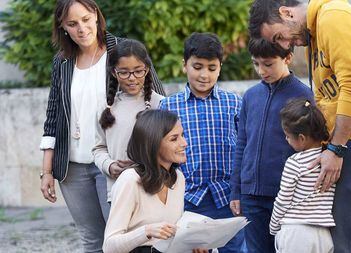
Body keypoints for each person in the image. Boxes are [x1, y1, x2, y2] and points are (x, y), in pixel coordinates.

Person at [248, 1, 351, 252]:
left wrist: (336, 148)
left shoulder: (333, 17)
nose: (286, 45)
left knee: (347, 242)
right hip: (346, 140)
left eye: (280, 36)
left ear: (287, 13)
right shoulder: (315, 32)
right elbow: (324, 96)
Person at [39, 0, 164, 252]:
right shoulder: (61, 62)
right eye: (72, 24)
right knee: (91, 240)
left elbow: (156, 103)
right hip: (72, 168)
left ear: (96, 15)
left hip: (117, 164)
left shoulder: (123, 50)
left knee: (123, 238)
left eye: (85, 19)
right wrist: (47, 170)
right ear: (63, 27)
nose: (82, 29)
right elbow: (52, 117)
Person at [159, 32, 244, 253]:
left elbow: (245, 149)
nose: (204, 75)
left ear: (220, 67)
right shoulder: (169, 107)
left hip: (228, 199)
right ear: (184, 65)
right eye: (197, 67)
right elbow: (161, 157)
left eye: (211, 68)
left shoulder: (234, 103)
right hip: (186, 201)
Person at [229, 38, 314, 253]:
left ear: (288, 58)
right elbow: (242, 144)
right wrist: (236, 191)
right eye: (256, 64)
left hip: (286, 196)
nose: (261, 70)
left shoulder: (304, 96)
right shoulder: (250, 96)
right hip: (251, 197)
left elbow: (311, 149)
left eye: (268, 64)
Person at [103, 109, 207, 253]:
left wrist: (193, 244)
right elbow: (109, 247)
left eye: (182, 135)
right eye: (174, 138)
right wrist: (146, 231)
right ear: (153, 143)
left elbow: (172, 235)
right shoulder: (130, 180)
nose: (185, 143)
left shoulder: (178, 178)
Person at [93, 39, 164, 203]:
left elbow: (168, 147)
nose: (132, 78)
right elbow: (99, 148)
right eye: (124, 72)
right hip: (119, 190)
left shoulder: (160, 104)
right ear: (113, 72)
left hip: (153, 189)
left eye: (138, 71)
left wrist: (142, 162)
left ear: (146, 70)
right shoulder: (106, 106)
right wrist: (109, 165)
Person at [270, 98, 334, 253]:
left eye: (287, 136)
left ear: (302, 138)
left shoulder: (294, 162)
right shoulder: (330, 163)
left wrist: (274, 227)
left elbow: (283, 200)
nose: (286, 139)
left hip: (296, 232)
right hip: (323, 234)